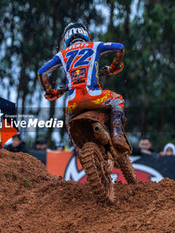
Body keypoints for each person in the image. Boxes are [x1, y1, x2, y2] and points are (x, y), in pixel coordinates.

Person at [37, 22, 129, 154]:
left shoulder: (61, 54)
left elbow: (42, 72)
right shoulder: (95, 46)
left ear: (66, 38)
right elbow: (120, 47)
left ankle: (78, 150)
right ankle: (117, 135)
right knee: (117, 100)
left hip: (75, 103)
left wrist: (50, 91)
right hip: (95, 97)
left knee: (69, 121)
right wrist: (114, 66)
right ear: (85, 34)